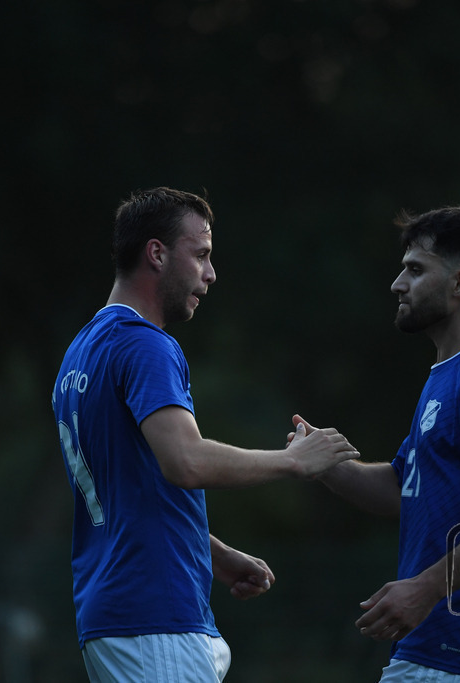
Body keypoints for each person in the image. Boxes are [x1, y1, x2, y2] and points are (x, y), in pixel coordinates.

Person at [52, 187, 360, 683]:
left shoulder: (80, 353)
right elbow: (186, 461)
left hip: (113, 616)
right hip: (157, 616)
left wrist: (211, 553)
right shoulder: (146, 345)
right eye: (201, 255)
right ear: (157, 253)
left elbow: (130, 486)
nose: (210, 274)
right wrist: (295, 461)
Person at [298, 206, 460, 682]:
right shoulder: (448, 375)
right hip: (442, 651)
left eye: (415, 270)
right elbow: (404, 489)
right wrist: (325, 465)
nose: (398, 284)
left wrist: (426, 589)